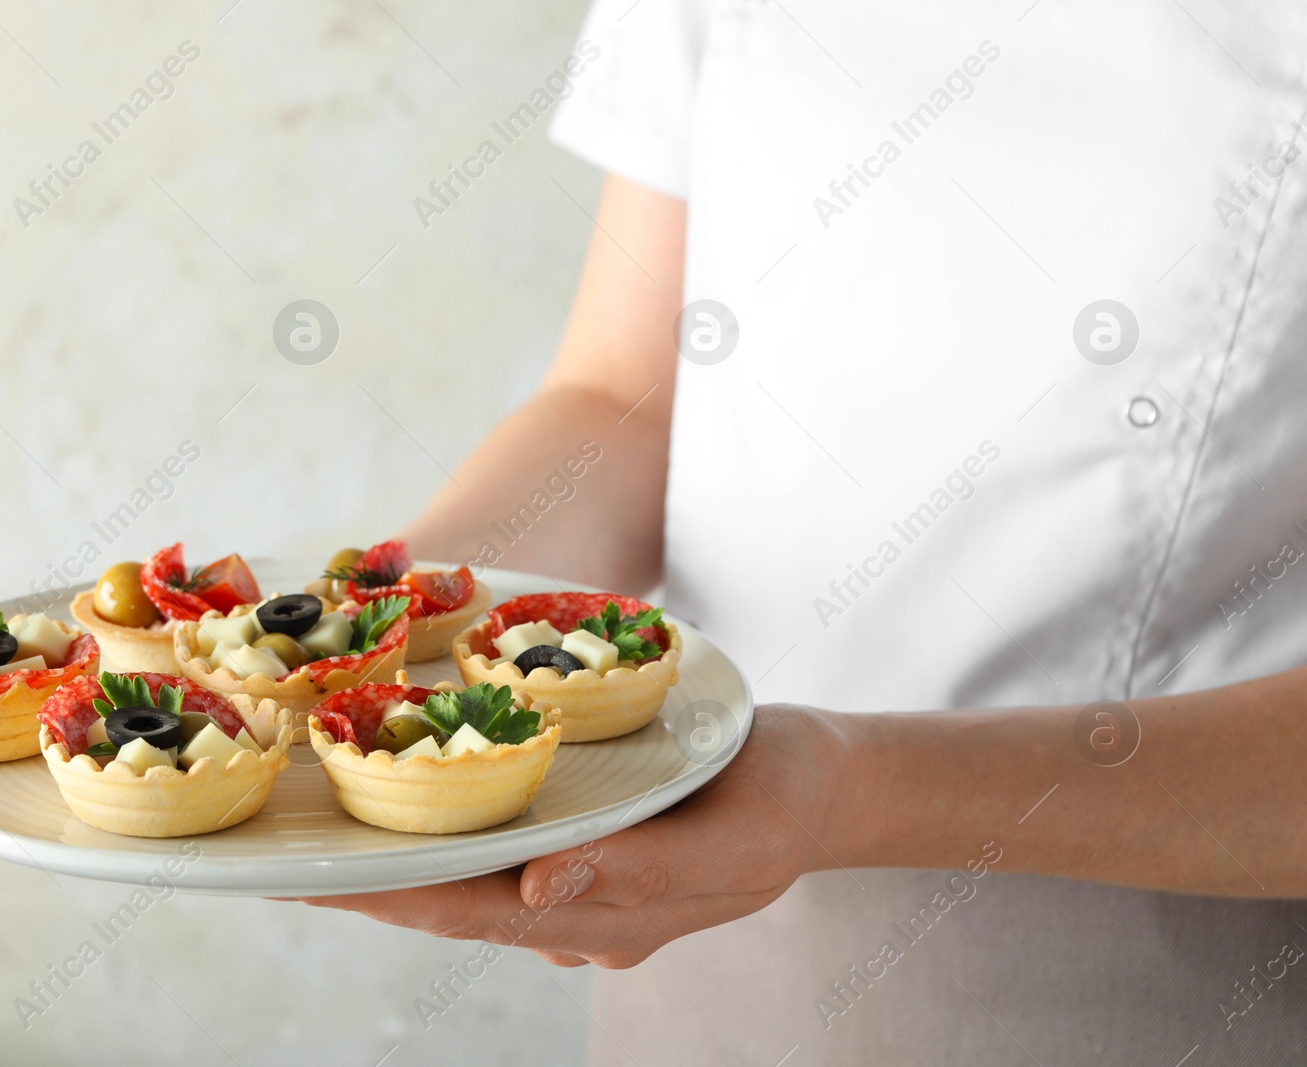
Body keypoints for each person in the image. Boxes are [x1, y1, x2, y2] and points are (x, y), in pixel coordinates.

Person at [308, 2, 1307, 1061]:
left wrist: (851, 787)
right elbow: (620, 399)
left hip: (1162, 961)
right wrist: (382, 629)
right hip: (690, 914)